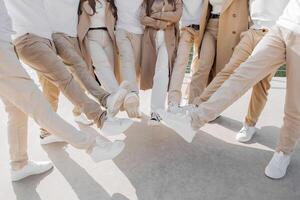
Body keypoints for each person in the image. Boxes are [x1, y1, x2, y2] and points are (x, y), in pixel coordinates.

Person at [159, 0, 300, 179]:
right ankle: (195, 118)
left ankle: (283, 152)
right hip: (282, 26)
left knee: (294, 102)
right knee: (241, 75)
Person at [0, 0, 125, 181]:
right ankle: (92, 145)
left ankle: (19, 164)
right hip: (15, 44)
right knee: (37, 104)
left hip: (14, 43)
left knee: (16, 110)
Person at [176, 0, 289, 143]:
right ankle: (197, 106)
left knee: (262, 84)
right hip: (253, 31)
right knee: (228, 71)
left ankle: (250, 124)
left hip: (275, 35)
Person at [188, 0, 249, 103]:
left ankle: (208, 107)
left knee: (219, 71)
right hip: (210, 25)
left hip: (228, 27)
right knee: (203, 67)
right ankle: (191, 104)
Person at [140, 0, 182, 125]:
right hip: (151, 38)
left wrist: (155, 15)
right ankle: (137, 102)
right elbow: (142, 18)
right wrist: (163, 23)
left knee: (162, 72)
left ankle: (156, 112)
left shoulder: (176, 1)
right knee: (150, 72)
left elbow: (176, 16)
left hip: (168, 39)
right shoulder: (147, 1)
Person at [167, 0, 204, 112]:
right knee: (180, 63)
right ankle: (173, 102)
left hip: (203, 28)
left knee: (199, 65)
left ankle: (192, 100)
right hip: (185, 28)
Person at [78, 0, 120, 94]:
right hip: (92, 37)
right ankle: (117, 93)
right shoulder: (84, 3)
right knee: (101, 64)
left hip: (108, 37)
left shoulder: (110, 3)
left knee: (110, 69)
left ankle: (111, 101)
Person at [114, 0, 144, 118]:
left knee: (135, 71)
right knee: (126, 62)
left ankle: (132, 100)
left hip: (138, 32)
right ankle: (131, 98)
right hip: (121, 30)